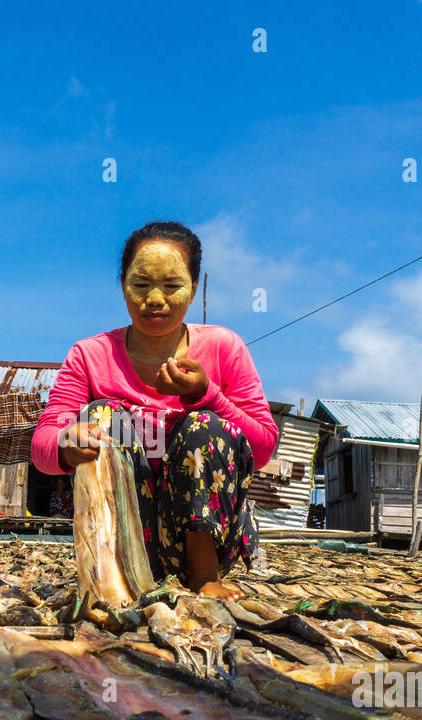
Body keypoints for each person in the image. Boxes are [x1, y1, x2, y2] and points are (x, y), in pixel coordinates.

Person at [32, 220, 278, 600]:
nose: (155, 299)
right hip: (126, 542)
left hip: (206, 534)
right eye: (141, 284)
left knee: (202, 425)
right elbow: (43, 444)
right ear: (123, 285)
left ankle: (203, 576)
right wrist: (67, 444)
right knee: (101, 416)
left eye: (172, 285)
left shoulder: (224, 347)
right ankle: (115, 578)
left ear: (194, 287)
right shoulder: (89, 355)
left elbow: (261, 449)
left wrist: (206, 394)